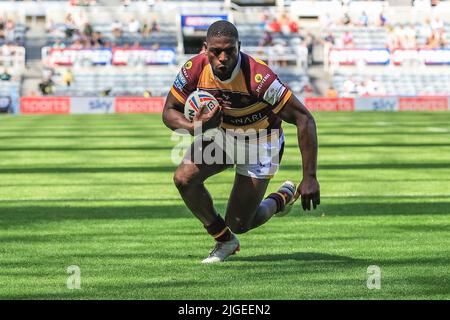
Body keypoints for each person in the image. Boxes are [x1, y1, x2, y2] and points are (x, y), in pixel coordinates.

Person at [162, 21, 320, 264]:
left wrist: (309, 177)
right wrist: (195, 127)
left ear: (239, 48)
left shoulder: (259, 78)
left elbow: (303, 118)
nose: (223, 58)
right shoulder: (194, 68)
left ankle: (281, 199)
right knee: (184, 178)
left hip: (261, 143)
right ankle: (224, 240)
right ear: (205, 49)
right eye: (216, 51)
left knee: (240, 222)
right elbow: (169, 111)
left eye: (230, 51)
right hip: (224, 137)